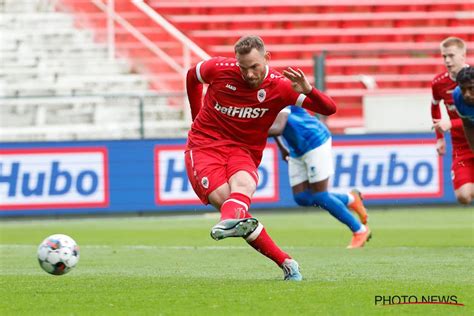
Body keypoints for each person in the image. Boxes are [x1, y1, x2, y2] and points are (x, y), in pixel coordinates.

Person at [185, 35, 337, 281]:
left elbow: (330, 109)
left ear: (267, 58)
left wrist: (309, 90)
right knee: (229, 203)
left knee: (243, 188)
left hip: (244, 149)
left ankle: (229, 222)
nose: (249, 75)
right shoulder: (219, 69)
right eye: (243, 68)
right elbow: (192, 76)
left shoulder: (282, 86)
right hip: (205, 145)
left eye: (254, 67)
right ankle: (285, 261)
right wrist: (196, 115)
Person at [268, 106, 371, 248]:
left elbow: (278, 127)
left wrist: (248, 131)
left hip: (315, 141)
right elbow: (270, 122)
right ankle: (352, 199)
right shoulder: (260, 96)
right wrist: (281, 146)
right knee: (302, 197)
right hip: (296, 148)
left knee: (320, 195)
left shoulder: (280, 90)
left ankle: (360, 230)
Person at [431, 37, 474, 205]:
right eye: (444, 56)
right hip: (460, 145)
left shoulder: (471, 79)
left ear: (463, 56)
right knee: (463, 197)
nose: (447, 61)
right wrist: (440, 138)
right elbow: (434, 106)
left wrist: (451, 123)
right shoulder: (439, 83)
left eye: (451, 55)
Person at [454, 66, 474, 152]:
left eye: (471, 88)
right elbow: (468, 126)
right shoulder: (457, 96)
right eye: (463, 89)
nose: (467, 94)